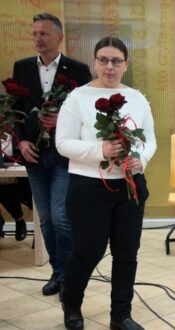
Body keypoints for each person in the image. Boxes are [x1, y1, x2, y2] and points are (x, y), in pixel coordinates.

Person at [55, 37, 156, 330]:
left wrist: (141, 159)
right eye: (103, 59)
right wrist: (101, 151)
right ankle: (71, 304)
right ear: (95, 62)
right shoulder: (77, 97)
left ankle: (120, 314)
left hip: (129, 186)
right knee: (89, 250)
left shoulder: (137, 98)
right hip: (88, 187)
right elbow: (62, 143)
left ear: (126, 64)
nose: (109, 66)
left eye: (116, 61)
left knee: (127, 252)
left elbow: (149, 139)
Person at [12, 13, 91, 297]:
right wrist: (20, 143)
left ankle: (71, 275)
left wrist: (63, 121)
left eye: (43, 34)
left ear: (59, 37)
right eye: (34, 34)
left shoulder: (78, 71)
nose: (37, 39)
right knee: (44, 219)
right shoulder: (21, 68)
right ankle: (58, 273)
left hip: (63, 155)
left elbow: (89, 117)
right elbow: (16, 112)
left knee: (60, 216)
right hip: (33, 155)